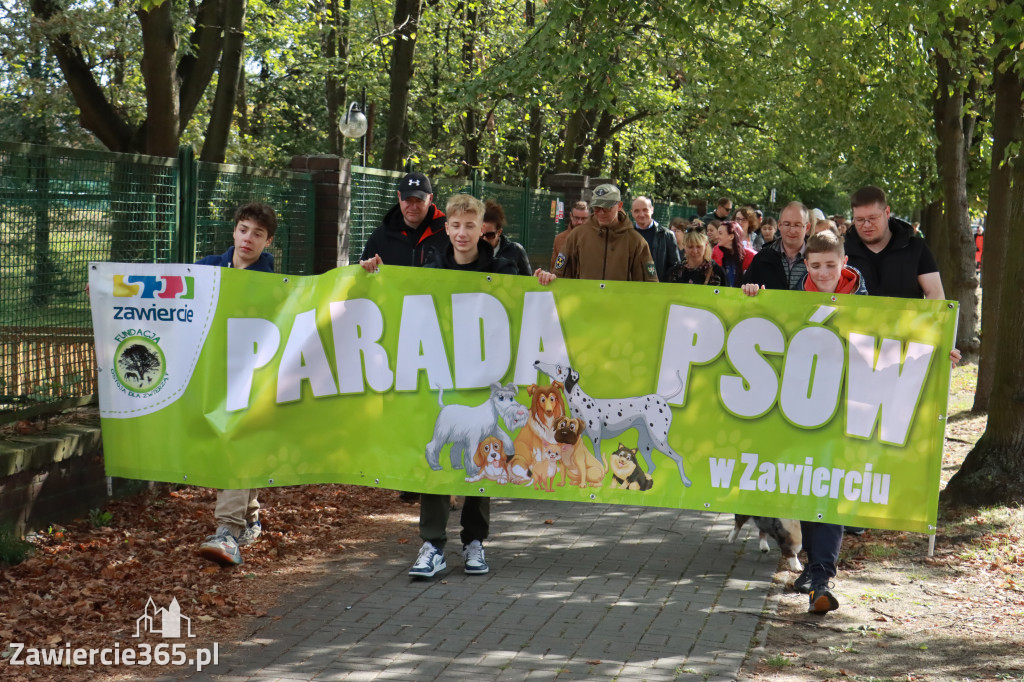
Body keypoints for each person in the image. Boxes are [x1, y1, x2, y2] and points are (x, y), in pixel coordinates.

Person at [364, 194, 516, 578]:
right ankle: (432, 543)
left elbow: (531, 304)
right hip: (440, 374)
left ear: (482, 229)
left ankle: (474, 541)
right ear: (445, 227)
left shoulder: (504, 268)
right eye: (456, 225)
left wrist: (547, 281)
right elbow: (400, 300)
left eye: (470, 225)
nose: (463, 233)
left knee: (480, 455)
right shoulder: (430, 265)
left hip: (484, 376)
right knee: (437, 450)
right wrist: (374, 273)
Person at [740, 229, 867, 614]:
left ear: (844, 262)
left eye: (831, 264)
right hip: (801, 411)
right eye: (815, 266)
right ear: (806, 266)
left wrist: (940, 352)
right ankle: (814, 570)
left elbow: (900, 342)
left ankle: (822, 576)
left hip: (845, 411)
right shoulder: (794, 300)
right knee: (810, 489)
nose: (824, 272)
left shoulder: (870, 303)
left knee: (828, 491)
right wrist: (750, 300)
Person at [196, 202, 278, 566]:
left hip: (252, 380)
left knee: (236, 444)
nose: (248, 238)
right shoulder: (206, 268)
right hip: (211, 373)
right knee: (233, 446)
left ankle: (227, 531)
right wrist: (109, 289)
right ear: (234, 230)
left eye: (257, 233)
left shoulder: (274, 284)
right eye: (244, 229)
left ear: (268, 241)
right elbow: (160, 286)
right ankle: (250, 516)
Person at [536, 183, 657, 283]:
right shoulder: (577, 236)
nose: (601, 213)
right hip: (583, 307)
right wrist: (546, 278)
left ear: (619, 206)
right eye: (596, 208)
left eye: (607, 207)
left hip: (619, 309)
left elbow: (649, 287)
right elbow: (559, 277)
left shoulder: (636, 242)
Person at [844, 186, 945, 299]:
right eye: (859, 220)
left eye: (873, 218)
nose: (866, 225)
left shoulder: (916, 248)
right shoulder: (843, 252)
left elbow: (935, 295)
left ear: (887, 212)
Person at [359, 172, 448, 268]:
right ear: (399, 196)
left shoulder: (448, 234)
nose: (413, 207)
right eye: (408, 200)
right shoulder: (380, 237)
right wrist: (373, 268)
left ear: (430, 199)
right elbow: (363, 276)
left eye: (419, 200)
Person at [742, 201, 811, 291]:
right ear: (779, 225)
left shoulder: (818, 259)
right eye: (787, 224)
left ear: (807, 227)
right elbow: (744, 290)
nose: (792, 230)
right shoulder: (762, 258)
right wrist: (749, 289)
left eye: (797, 225)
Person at [631, 196, 680, 281]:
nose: (641, 214)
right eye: (637, 211)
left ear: (652, 210)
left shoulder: (667, 236)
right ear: (632, 213)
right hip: (630, 288)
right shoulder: (626, 235)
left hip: (658, 288)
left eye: (645, 210)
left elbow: (675, 267)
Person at [481, 199, 532, 275]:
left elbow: (527, 281)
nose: (484, 239)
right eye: (480, 235)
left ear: (499, 232)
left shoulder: (516, 251)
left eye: (489, 235)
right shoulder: (471, 252)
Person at [712, 220, 756, 287]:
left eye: (720, 233)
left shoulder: (751, 256)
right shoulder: (716, 252)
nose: (717, 237)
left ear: (731, 236)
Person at [550, 200, 590, 270]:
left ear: (589, 218)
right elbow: (554, 267)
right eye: (576, 218)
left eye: (583, 219)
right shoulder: (560, 238)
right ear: (571, 216)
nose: (580, 222)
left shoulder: (595, 238)